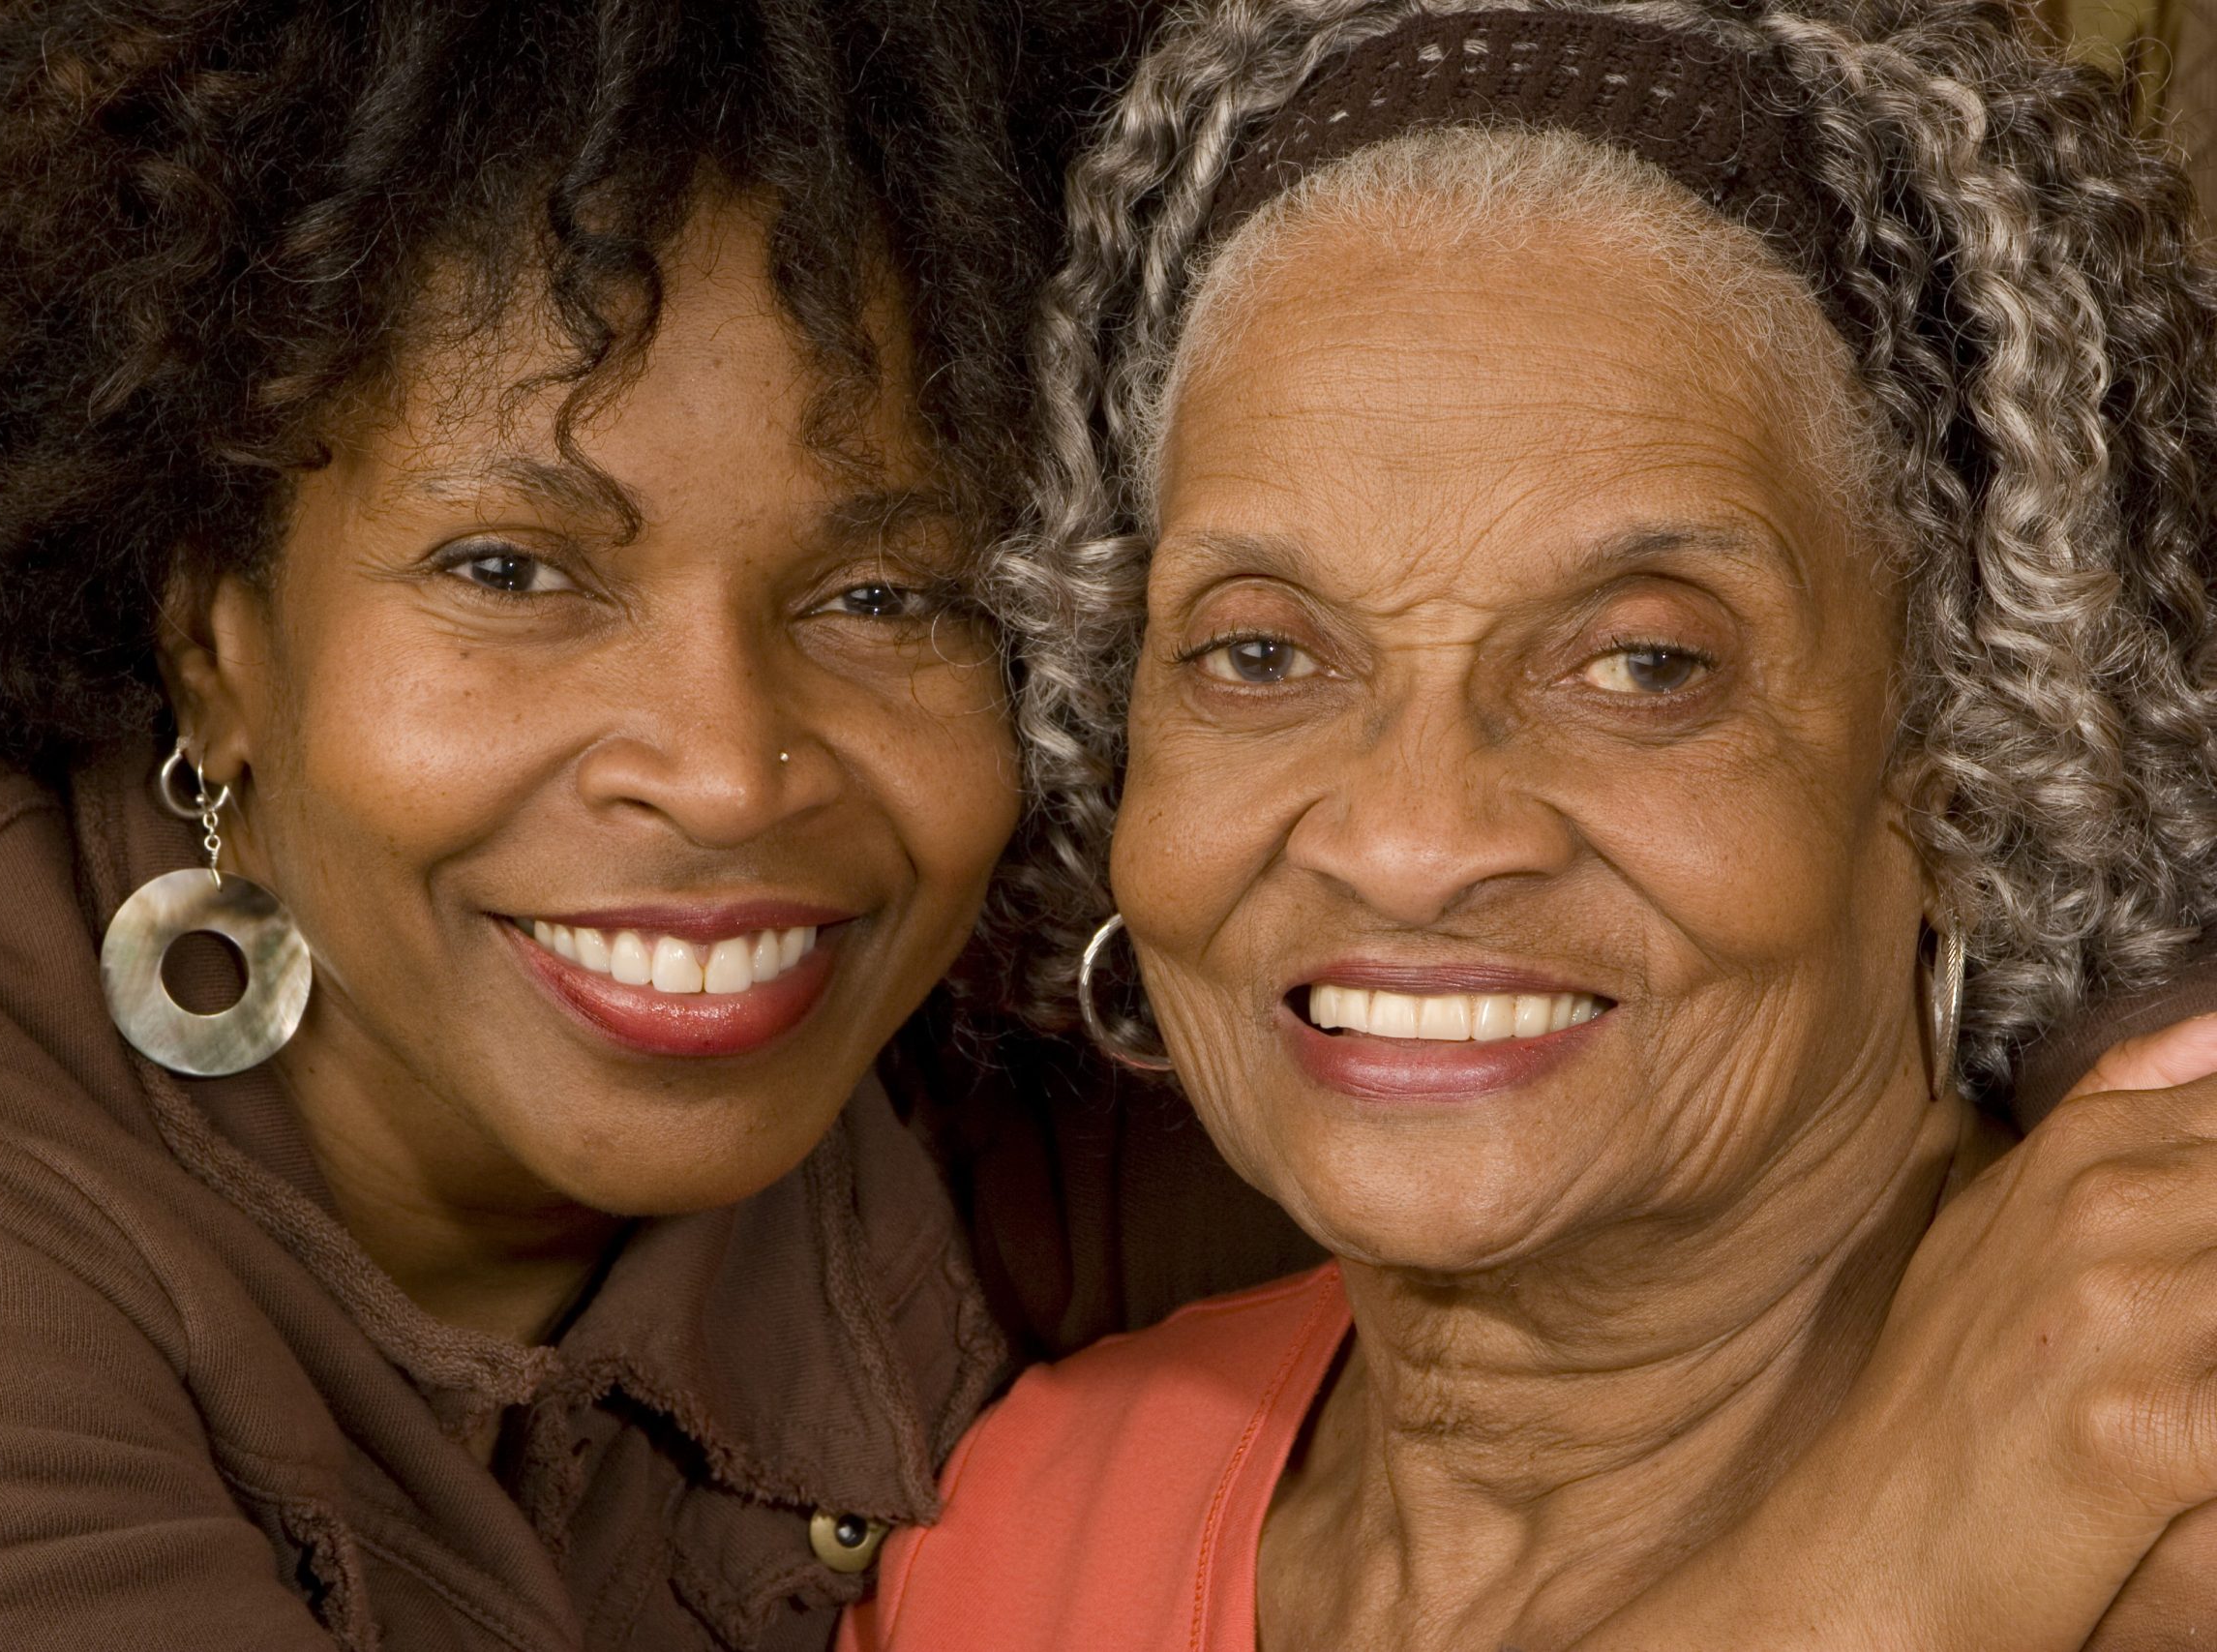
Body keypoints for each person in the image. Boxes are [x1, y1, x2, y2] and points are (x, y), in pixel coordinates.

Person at [0, 3, 1339, 1648]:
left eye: (883, 596)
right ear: (212, 637)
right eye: (511, 571)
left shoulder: (1026, 1082)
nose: (724, 774)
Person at [849, 1, 2217, 1647]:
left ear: (1962, 738)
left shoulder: (2169, 1494)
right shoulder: (1016, 1532)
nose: (1413, 839)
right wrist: (1869, 1576)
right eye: (1261, 653)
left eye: (1645, 665)